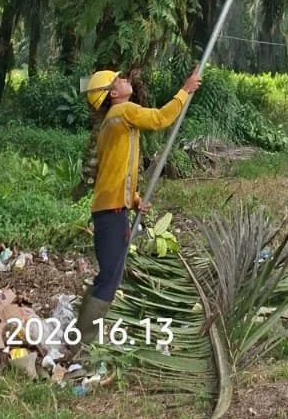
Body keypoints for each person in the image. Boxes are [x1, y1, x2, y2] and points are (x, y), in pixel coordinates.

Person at [74, 64, 202, 344]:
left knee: (109, 276)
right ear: (112, 94)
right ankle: (82, 341)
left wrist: (133, 199)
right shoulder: (123, 112)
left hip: (111, 208)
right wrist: (185, 91)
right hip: (110, 212)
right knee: (109, 278)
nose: (123, 80)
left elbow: (117, 169)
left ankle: (81, 333)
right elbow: (159, 119)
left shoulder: (114, 120)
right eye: (117, 80)